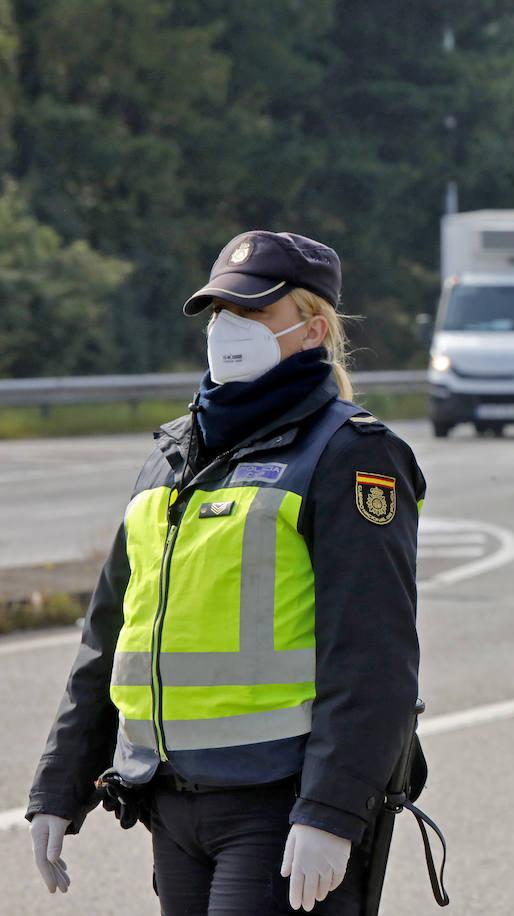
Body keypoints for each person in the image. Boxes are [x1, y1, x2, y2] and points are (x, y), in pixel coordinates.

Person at [26, 230, 425, 914]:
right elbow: (109, 637)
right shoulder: (173, 454)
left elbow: (375, 659)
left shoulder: (350, 455)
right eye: (219, 313)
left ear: (313, 328)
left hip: (276, 802)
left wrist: (331, 810)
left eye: (253, 313)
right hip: (169, 802)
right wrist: (58, 788)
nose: (227, 329)